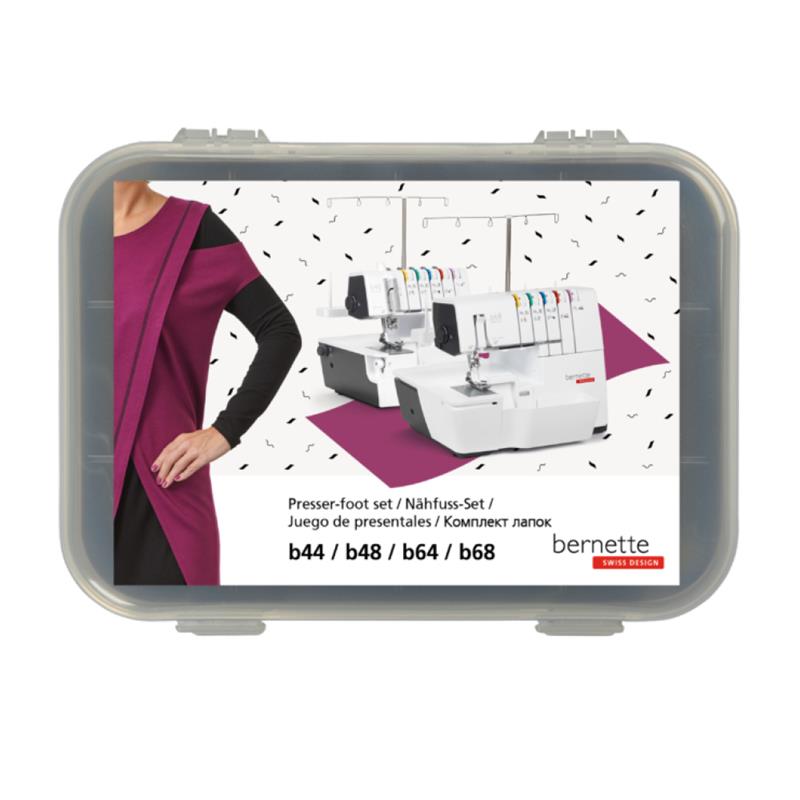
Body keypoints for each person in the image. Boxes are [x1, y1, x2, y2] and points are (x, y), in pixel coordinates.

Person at [113, 181, 301, 585]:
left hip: (163, 485)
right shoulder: (63, 233)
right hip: (77, 492)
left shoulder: (194, 229)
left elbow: (281, 332)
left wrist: (224, 432)